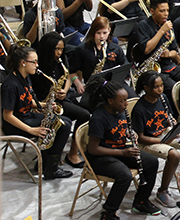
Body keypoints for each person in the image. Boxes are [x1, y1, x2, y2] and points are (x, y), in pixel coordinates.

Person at [83, 79, 160, 220]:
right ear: (110, 101)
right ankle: (108, 215)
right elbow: (93, 149)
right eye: (122, 101)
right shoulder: (99, 118)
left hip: (118, 150)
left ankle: (141, 201)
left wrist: (130, 135)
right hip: (100, 157)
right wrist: (122, 152)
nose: (126, 104)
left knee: (151, 161)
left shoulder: (120, 111)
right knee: (124, 175)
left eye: (126, 100)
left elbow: (120, 130)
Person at [2, 45, 72, 180]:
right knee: (63, 126)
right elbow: (7, 115)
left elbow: (25, 101)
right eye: (34, 62)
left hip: (27, 116)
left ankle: (45, 163)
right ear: (23, 63)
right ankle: (51, 169)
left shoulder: (25, 77)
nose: (37, 65)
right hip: (15, 124)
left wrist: (44, 105)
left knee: (65, 121)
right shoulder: (10, 85)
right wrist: (31, 130)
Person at [34, 32, 89, 169]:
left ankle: (73, 153)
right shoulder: (37, 63)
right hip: (43, 103)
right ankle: (49, 159)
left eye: (61, 49)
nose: (59, 52)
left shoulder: (61, 59)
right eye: (57, 49)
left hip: (60, 100)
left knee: (85, 115)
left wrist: (65, 90)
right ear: (48, 48)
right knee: (64, 123)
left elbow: (68, 77)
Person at [131, 71, 180, 208]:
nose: (160, 89)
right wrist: (163, 141)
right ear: (146, 88)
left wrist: (170, 123)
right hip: (148, 141)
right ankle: (162, 191)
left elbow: (165, 119)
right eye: (156, 87)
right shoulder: (139, 109)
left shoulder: (163, 99)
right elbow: (141, 138)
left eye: (161, 85)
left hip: (164, 133)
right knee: (174, 154)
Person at [130, 0, 180, 95]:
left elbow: (175, 50)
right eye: (162, 11)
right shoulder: (142, 26)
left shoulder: (168, 25)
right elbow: (146, 49)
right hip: (152, 69)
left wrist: (169, 54)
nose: (166, 14)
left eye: (167, 10)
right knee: (173, 88)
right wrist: (162, 31)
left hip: (169, 66)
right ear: (152, 11)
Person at [69, 16, 128, 96]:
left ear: (109, 31)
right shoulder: (82, 50)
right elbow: (71, 72)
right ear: (93, 32)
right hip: (94, 88)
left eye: (105, 33)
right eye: (98, 33)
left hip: (115, 85)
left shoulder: (116, 49)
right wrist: (78, 84)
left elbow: (125, 68)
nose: (102, 37)